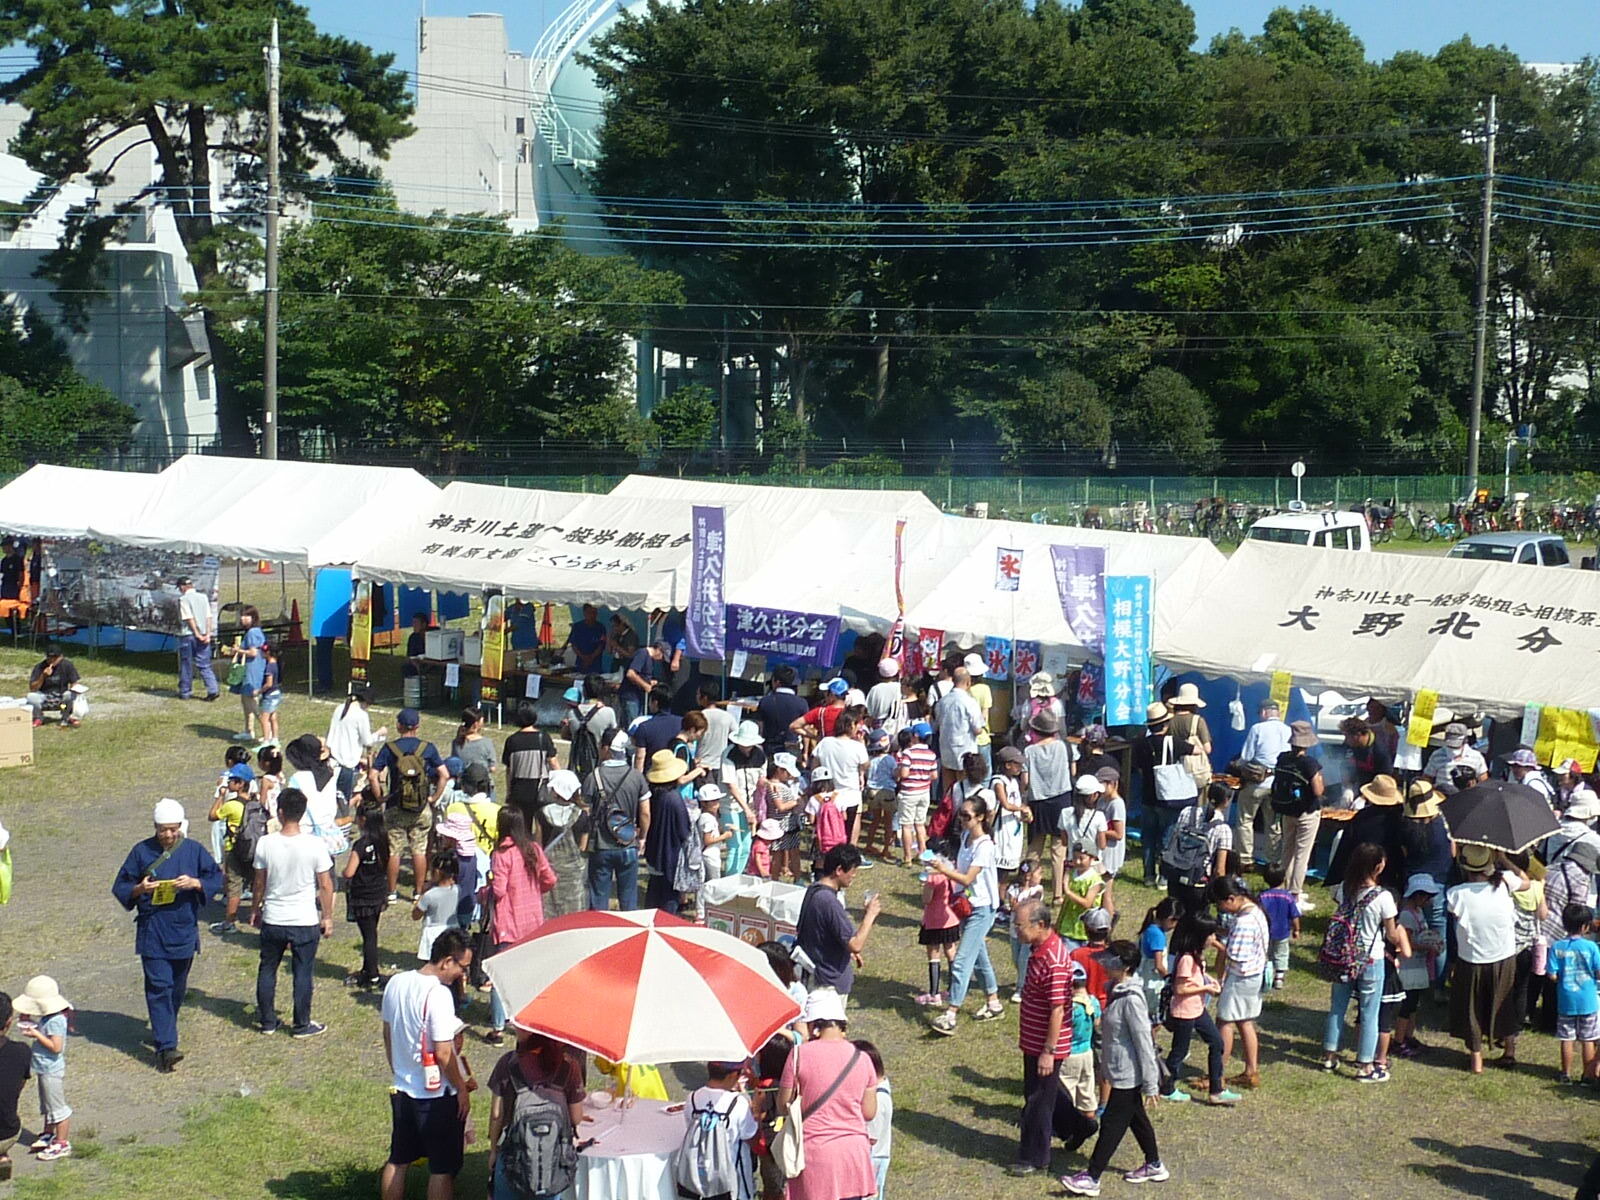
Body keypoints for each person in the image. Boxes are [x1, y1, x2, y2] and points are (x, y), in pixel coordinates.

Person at [111, 799, 222, 1072]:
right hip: (153, 931)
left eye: (173, 829)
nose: (169, 835)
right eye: (163, 830)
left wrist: (196, 883)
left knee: (177, 987)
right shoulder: (141, 852)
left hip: (183, 929)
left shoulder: (194, 850)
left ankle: (164, 1026)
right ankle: (166, 1047)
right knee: (159, 986)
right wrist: (140, 889)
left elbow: (215, 878)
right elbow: (121, 886)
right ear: (155, 828)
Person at [1059, 940, 1168, 1196]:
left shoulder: (1131, 1000)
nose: (1105, 966)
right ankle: (1154, 1164)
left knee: (1111, 1124)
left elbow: (1144, 1042)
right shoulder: (1116, 990)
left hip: (1127, 1076)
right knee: (1136, 1119)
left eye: (1112, 962)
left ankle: (1092, 1177)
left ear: (1126, 966)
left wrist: (1151, 1083)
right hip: (1117, 1070)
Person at [1007, 898, 1098, 1179]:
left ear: (1041, 925)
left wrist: (1048, 1050)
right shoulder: (1038, 949)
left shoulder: (1056, 961)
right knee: (1044, 1091)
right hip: (1034, 1038)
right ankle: (1079, 1125)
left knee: (1037, 1100)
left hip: (1046, 1043)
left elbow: (1058, 1009)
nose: (1016, 930)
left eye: (1020, 925)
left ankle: (1034, 1156)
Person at [380, 930, 474, 1200]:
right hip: (435, 1096)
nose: (462, 975)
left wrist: (398, 1069)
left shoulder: (396, 982)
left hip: (403, 1087)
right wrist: (461, 1089)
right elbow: (444, 1052)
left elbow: (387, 1033)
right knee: (442, 1168)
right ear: (447, 961)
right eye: (462, 967)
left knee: (398, 1159)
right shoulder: (439, 994)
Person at [775, 988, 879, 1200]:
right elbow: (869, 1112)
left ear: (814, 1026)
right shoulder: (862, 1058)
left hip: (815, 1154)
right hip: (854, 1153)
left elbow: (783, 1104)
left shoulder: (799, 1055)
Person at [1320, 843, 1411, 1083]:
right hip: (1371, 959)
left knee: (1337, 1007)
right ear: (1378, 866)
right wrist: (1400, 933)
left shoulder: (1343, 889)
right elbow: (1392, 935)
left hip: (1342, 957)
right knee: (1370, 1012)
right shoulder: (1384, 897)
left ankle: (1329, 1055)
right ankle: (1365, 1065)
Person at [251, 787, 333, 1038]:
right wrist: (327, 916)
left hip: (274, 916)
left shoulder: (266, 843)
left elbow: (259, 883)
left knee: (267, 968)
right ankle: (301, 1024)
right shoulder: (315, 844)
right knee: (302, 972)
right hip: (304, 918)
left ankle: (267, 1021)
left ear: (281, 812)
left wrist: (255, 909)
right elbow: (326, 884)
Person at [1447, 843, 1522, 1074]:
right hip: (1504, 955)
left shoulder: (1455, 894)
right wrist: (1504, 859)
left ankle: (1476, 1059)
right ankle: (1509, 1051)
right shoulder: (1505, 882)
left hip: (1471, 958)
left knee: (1472, 1008)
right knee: (1504, 1003)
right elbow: (1526, 881)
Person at [930, 798, 1004, 1034]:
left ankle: (951, 1013)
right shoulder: (964, 838)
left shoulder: (985, 846)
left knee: (961, 961)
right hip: (966, 905)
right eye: (960, 815)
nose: (962, 820)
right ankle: (993, 1002)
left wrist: (944, 870)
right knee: (979, 956)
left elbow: (968, 878)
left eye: (967, 816)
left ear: (980, 817)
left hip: (982, 908)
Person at [486, 1028, 585, 1200]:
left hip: (513, 1154)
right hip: (552, 1159)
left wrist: (494, 1150)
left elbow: (496, 1114)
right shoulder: (569, 1065)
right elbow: (576, 1117)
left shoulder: (508, 1063)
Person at [486, 807, 557, 1045]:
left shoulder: (501, 854)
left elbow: (499, 890)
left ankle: (498, 1026)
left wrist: (485, 888)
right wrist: (535, 890)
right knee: (530, 972)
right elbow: (550, 879)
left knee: (500, 973)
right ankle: (528, 1020)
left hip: (509, 921)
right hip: (533, 921)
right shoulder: (533, 849)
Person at [368, 709, 449, 904]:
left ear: (399, 726)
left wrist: (380, 797)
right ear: (418, 726)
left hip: (396, 805)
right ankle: (418, 891)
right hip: (420, 806)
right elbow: (444, 774)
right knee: (419, 849)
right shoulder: (427, 748)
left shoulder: (390, 749)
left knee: (394, 849)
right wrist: (433, 797)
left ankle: (392, 892)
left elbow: (372, 775)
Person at [1162, 914, 1235, 1106]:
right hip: (1184, 1012)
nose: (1213, 938)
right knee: (1179, 1052)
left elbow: (1195, 977)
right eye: (1210, 934)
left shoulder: (1196, 954)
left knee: (1217, 1043)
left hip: (1198, 1009)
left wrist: (1208, 979)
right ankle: (1166, 1088)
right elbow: (1180, 989)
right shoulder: (1186, 958)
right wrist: (1206, 988)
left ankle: (1216, 1089)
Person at [796, 845, 881, 1003]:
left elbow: (821, 932)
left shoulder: (814, 890)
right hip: (828, 985)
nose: (854, 875)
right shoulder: (829, 902)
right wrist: (870, 915)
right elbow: (855, 944)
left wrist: (845, 949)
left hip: (816, 975)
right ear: (839, 870)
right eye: (853, 870)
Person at [1209, 875, 1268, 1090]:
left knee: (1225, 1022)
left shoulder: (1244, 921)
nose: (1221, 908)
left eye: (1221, 903)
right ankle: (1251, 1071)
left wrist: (1215, 943)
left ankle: (1217, 1074)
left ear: (1232, 899)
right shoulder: (1256, 912)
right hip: (1254, 975)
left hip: (1240, 978)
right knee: (1245, 1021)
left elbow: (1235, 954)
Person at [675, 1058, 758, 1200]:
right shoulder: (738, 1103)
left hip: (700, 1172)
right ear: (732, 1075)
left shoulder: (693, 1098)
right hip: (732, 1177)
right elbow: (750, 1135)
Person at [584, 730, 649, 912]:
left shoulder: (593, 777)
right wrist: (642, 838)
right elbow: (645, 813)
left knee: (598, 900)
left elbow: (585, 812)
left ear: (606, 749)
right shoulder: (636, 777)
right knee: (628, 901)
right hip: (628, 843)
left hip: (601, 846)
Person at [1132, 702, 1195, 888]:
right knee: (1168, 837)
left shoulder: (1141, 743)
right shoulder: (1172, 742)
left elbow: (1138, 768)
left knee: (1148, 838)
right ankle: (1164, 877)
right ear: (1165, 724)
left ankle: (1148, 875)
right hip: (1168, 798)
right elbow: (1198, 750)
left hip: (1147, 796)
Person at [13, 975, 72, 1162]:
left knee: (57, 1107)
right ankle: (48, 1133)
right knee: (47, 1105)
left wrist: (36, 1033)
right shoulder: (49, 1018)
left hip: (51, 1070)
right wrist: (30, 1022)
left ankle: (62, 1142)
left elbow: (56, 1047)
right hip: (43, 1068)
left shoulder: (55, 1021)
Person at [1024, 712, 1075, 901]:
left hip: (1037, 802)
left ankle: (1028, 885)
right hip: (1061, 799)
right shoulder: (1063, 746)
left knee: (1034, 848)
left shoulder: (1029, 751)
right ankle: (1058, 894)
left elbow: (1025, 780)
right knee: (1058, 849)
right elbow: (1073, 770)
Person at [1271, 721, 1325, 898]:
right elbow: (1318, 791)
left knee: (1287, 849)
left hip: (1287, 811)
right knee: (1302, 853)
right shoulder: (1310, 763)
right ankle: (1294, 892)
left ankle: (1282, 885)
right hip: (1307, 812)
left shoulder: (1282, 758)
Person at [1234, 701, 1291, 869]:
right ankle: (1272, 860)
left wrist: (1237, 764)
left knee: (1245, 820)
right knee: (1273, 823)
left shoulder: (1257, 729)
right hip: (1277, 783)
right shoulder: (1288, 730)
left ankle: (1245, 860)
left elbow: (1246, 756)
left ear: (1264, 712)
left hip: (1257, 782)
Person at [1160, 781, 1232, 914]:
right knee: (1196, 925)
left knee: (1176, 917)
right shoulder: (1223, 829)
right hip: (1198, 882)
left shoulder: (1187, 812)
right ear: (1226, 801)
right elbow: (1219, 870)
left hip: (1175, 874)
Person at [1327, 775, 1408, 893]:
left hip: (1361, 874)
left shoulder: (1361, 817)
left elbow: (1345, 848)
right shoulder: (1399, 819)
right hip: (1391, 876)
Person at [1392, 875, 1444, 1058]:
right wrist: (1427, 945)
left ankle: (1408, 1036)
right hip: (1409, 967)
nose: (1429, 900)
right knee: (1407, 1006)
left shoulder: (1419, 912)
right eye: (1426, 896)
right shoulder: (1407, 915)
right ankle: (1398, 1041)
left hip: (1419, 965)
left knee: (1414, 1005)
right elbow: (1405, 943)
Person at [207, 761, 260, 934]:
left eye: (231, 780)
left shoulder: (232, 805)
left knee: (234, 886)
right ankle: (257, 914)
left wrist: (220, 796)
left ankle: (229, 921)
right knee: (258, 883)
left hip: (234, 850)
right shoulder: (256, 804)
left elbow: (213, 816)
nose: (228, 783)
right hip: (254, 849)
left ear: (240, 783)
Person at [1551, 903, 1600, 1084]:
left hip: (1566, 1000)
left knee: (1567, 1038)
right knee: (1588, 1039)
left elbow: (1552, 974)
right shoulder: (1592, 947)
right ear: (1585, 926)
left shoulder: (1557, 947)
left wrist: (1563, 980)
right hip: (1588, 1000)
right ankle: (1588, 1076)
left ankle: (1565, 1074)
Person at [343, 806, 391, 989]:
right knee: (371, 933)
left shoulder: (361, 845)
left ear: (363, 820)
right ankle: (368, 969)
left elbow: (349, 872)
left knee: (369, 936)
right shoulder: (383, 841)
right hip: (378, 894)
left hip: (362, 896)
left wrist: (343, 872)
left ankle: (372, 975)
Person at [643, 750, 694, 913]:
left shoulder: (652, 795)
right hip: (670, 855)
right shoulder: (674, 798)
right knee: (669, 897)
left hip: (653, 851)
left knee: (653, 893)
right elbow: (684, 831)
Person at [502, 701, 559, 831]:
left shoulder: (512, 740)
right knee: (543, 828)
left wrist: (509, 791)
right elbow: (553, 762)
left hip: (519, 789)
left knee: (522, 828)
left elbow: (509, 770)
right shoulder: (543, 737)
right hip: (540, 788)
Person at [327, 685, 386, 802]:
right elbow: (367, 741)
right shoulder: (361, 715)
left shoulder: (340, 708)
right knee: (342, 802)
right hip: (345, 764)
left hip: (330, 760)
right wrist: (379, 733)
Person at [916, 856, 961, 1006]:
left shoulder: (933, 879)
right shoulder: (952, 874)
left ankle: (934, 994)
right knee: (951, 952)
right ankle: (953, 989)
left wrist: (925, 886)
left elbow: (926, 899)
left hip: (933, 921)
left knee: (934, 955)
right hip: (951, 919)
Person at [893, 722, 938, 865]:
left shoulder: (908, 753)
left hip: (909, 793)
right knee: (920, 824)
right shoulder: (931, 754)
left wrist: (897, 772)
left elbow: (904, 773)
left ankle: (907, 857)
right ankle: (922, 853)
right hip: (924, 792)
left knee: (906, 825)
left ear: (915, 736)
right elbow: (934, 775)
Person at [935, 667, 983, 793]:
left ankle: (948, 811)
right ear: (968, 682)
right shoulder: (970, 702)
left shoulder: (942, 701)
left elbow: (937, 724)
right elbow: (978, 729)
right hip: (965, 749)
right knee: (964, 787)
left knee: (948, 788)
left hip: (945, 747)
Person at [175, 575, 219, 702]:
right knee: (204, 663)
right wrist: (208, 634)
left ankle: (185, 691)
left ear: (183, 587)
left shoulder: (183, 599)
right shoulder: (203, 597)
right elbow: (208, 617)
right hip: (205, 633)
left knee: (186, 663)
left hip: (189, 635)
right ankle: (213, 689)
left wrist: (196, 633)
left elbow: (189, 618)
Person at [0, 992, 29, 1181]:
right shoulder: (22, 1052)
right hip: (7, 1134)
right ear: (9, 1022)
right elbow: (18, 1087)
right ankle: (2, 1156)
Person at [764, 753, 805, 884]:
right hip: (779, 826)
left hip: (790, 825)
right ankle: (774, 880)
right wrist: (796, 802)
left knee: (794, 853)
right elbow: (780, 806)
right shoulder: (773, 787)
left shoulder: (782, 785)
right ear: (779, 770)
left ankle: (797, 879)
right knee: (777, 855)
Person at [228, 604, 267, 744]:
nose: (242, 619)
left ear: (253, 617)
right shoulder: (253, 632)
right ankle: (248, 730)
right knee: (245, 701)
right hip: (250, 668)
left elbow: (253, 652)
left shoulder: (253, 633)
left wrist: (238, 651)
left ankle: (266, 733)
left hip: (253, 669)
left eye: (246, 616)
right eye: (242, 616)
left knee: (252, 701)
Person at [412, 854, 462, 961]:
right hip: (453, 929)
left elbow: (415, 915)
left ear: (437, 872)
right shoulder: (458, 890)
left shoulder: (430, 895)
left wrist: (421, 895)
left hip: (433, 932)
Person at [1257, 865, 1300, 990]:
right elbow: (1295, 915)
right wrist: (1296, 929)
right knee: (1281, 953)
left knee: (1267, 953)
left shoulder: (1262, 896)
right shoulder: (1287, 896)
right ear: (1283, 878)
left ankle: (1266, 973)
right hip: (1283, 932)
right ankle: (1279, 977)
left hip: (1266, 932)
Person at [1057, 843, 1106, 947]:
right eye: (1074, 858)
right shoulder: (1071, 874)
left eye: (1081, 858)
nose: (1077, 862)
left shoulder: (1094, 880)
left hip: (1085, 932)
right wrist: (1058, 924)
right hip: (1067, 928)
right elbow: (1066, 903)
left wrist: (1068, 892)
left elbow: (1087, 903)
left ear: (1092, 858)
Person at [1137, 897, 1179, 1016]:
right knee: (1154, 1019)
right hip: (1153, 983)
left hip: (1143, 977)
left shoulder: (1149, 928)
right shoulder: (1158, 936)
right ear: (1169, 919)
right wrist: (1169, 979)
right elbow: (1159, 965)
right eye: (1175, 922)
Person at [755, 666, 809, 756]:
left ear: (777, 682)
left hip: (770, 748)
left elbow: (760, 727)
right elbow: (806, 729)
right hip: (793, 748)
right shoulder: (802, 703)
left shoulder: (765, 701)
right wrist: (805, 752)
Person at [26, 645, 83, 727]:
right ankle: (38, 717)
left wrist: (75, 690)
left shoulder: (67, 665)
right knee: (31, 697)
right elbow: (33, 688)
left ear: (61, 657)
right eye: (49, 657)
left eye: (55, 657)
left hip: (61, 703)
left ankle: (66, 716)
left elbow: (74, 683)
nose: (52, 660)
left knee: (69, 695)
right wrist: (43, 676)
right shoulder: (40, 667)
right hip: (44, 700)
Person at [619, 638, 672, 726]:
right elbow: (631, 674)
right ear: (658, 649)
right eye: (662, 656)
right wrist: (645, 685)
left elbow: (641, 675)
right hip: (631, 696)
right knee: (633, 725)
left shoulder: (650, 659)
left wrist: (650, 681)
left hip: (638, 696)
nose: (661, 659)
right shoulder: (642, 654)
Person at [632, 687, 685, 768]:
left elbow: (640, 757)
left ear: (655, 703)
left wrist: (638, 778)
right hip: (675, 772)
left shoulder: (644, 727)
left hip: (652, 774)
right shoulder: (682, 723)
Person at [1424, 722, 1488, 787]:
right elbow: (1427, 778)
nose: (1453, 748)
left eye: (1456, 745)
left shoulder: (1476, 756)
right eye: (1451, 745)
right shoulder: (1437, 755)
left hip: (1467, 794)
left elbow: (1483, 780)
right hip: (1442, 794)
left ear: (1465, 740)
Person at [962, 652, 995, 771]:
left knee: (968, 771)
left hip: (966, 738)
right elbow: (984, 715)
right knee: (985, 771)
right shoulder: (984, 689)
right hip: (982, 736)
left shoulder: (962, 690)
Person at [1340, 717, 1394, 789]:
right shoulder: (1349, 744)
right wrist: (1347, 787)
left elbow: (1385, 780)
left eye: (1347, 736)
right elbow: (1344, 766)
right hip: (1357, 786)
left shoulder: (1380, 751)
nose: (1346, 740)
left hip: (1375, 790)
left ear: (1358, 735)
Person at [450, 707, 496, 788]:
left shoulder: (456, 742)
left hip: (462, 785)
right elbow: (492, 768)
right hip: (482, 785)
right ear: (476, 724)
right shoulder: (486, 743)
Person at [866, 658, 908, 737]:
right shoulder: (900, 687)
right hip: (897, 725)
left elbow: (869, 712)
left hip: (878, 727)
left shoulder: (875, 689)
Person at [563, 602, 608, 672]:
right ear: (584, 613)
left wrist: (591, 657)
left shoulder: (601, 627)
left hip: (595, 663)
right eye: (590, 613)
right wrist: (583, 657)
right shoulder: (577, 627)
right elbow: (574, 645)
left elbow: (601, 645)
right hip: (580, 661)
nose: (592, 615)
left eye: (594, 613)